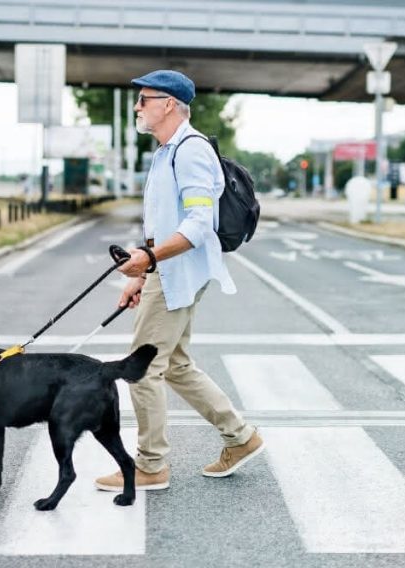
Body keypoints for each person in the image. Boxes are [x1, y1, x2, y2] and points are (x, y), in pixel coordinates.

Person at [95, 70, 263, 493]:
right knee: (175, 364)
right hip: (169, 270)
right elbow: (165, 223)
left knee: (143, 370)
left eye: (144, 99)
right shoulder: (167, 151)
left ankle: (151, 465)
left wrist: (150, 260)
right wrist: (144, 270)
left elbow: (199, 223)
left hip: (179, 271)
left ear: (169, 104)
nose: (137, 107)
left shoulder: (190, 151)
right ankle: (240, 437)